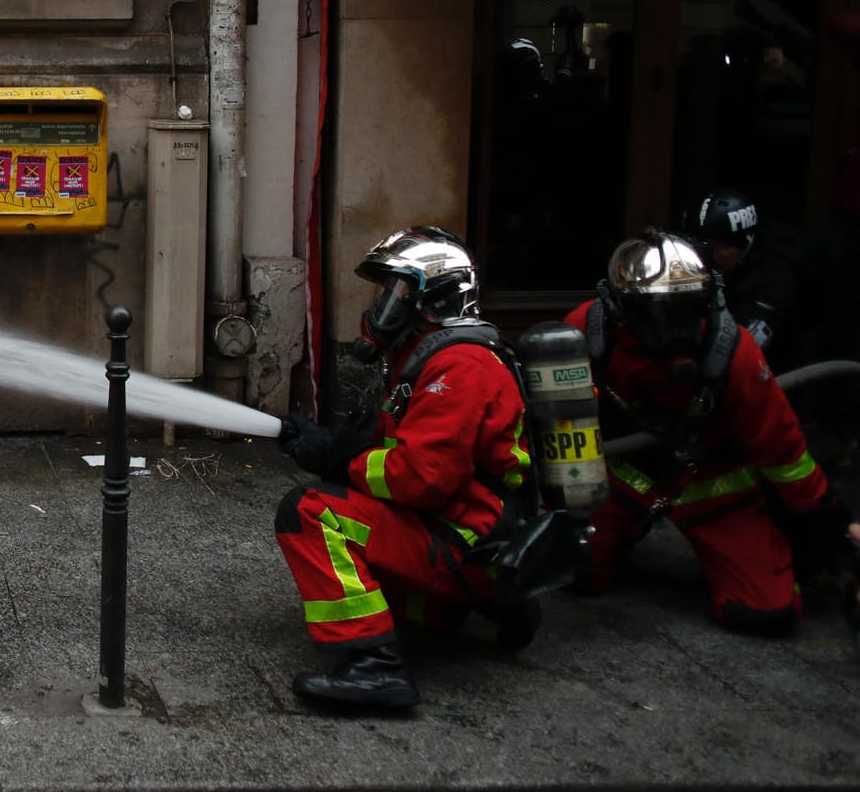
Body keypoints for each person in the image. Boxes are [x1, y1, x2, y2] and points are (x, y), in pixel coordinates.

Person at [274, 226, 532, 709]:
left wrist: (338, 460)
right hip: (465, 531)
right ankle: (481, 605)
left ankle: (374, 667)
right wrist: (327, 444)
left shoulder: (461, 367)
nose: (383, 306)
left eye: (398, 292)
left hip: (464, 539)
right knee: (414, 606)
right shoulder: (431, 357)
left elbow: (421, 478)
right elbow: (407, 450)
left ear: (435, 300)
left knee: (310, 512)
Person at [564, 229, 859, 636]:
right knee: (573, 574)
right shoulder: (585, 334)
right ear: (623, 308)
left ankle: (784, 553)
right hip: (619, 480)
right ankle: (613, 542)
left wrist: (836, 524)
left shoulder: (732, 351)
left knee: (764, 613)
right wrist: (566, 507)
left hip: (711, 484)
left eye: (688, 307)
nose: (678, 327)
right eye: (662, 310)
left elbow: (784, 453)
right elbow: (559, 432)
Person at [688, 188, 824, 371]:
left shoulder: (776, 278)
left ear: (743, 242)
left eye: (719, 246)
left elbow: (742, 347)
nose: (710, 256)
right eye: (703, 245)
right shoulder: (718, 258)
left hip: (775, 367)